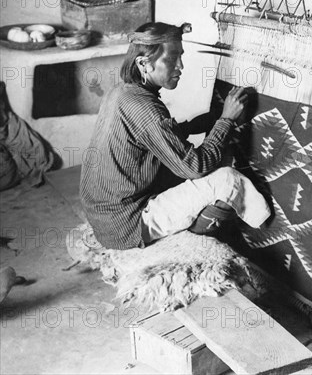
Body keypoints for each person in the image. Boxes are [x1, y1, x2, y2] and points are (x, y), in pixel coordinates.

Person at [80, 22, 271, 250]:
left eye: (181, 56)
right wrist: (226, 120)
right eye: (171, 59)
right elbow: (195, 167)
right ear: (144, 64)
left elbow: (160, 136)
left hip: (105, 216)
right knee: (228, 178)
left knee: (199, 161)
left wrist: (214, 118)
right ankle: (264, 233)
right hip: (127, 225)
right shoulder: (145, 108)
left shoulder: (120, 93)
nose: (180, 66)